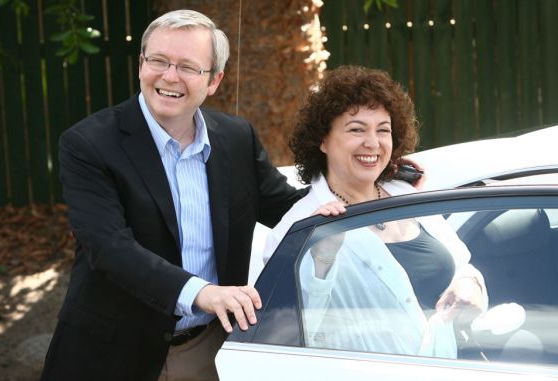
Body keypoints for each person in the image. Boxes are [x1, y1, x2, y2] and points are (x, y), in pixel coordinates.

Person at [39, 9, 306, 381]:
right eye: (158, 61)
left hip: (207, 350)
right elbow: (108, 247)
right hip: (111, 355)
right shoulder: (88, 143)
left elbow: (291, 210)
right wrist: (203, 293)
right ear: (140, 64)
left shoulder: (236, 137)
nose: (169, 76)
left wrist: (370, 177)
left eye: (187, 67)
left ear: (214, 80)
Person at [262, 65, 488, 358]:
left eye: (383, 130)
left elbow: (462, 265)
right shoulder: (301, 225)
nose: (373, 143)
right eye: (356, 129)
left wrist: (469, 285)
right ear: (323, 140)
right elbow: (292, 330)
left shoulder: (407, 194)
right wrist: (322, 258)